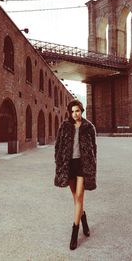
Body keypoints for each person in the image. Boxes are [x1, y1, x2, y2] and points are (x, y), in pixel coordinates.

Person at [54, 99, 97, 250]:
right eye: (72, 111)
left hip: (82, 165)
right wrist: (59, 162)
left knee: (79, 196)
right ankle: (84, 221)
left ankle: (74, 233)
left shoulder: (88, 127)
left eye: (77, 111)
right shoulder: (64, 126)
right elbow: (58, 145)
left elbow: (94, 148)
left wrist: (92, 165)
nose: (74, 114)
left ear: (82, 110)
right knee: (75, 197)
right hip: (68, 165)